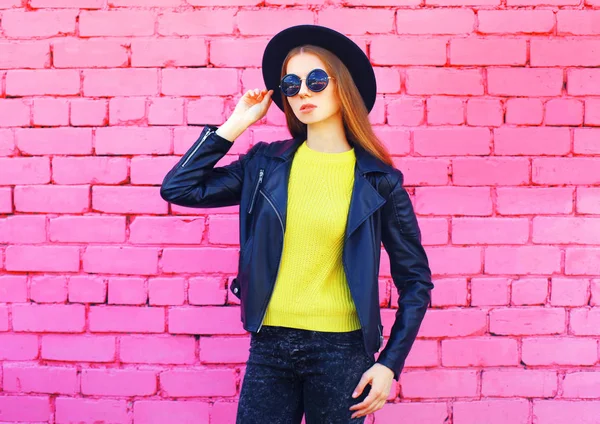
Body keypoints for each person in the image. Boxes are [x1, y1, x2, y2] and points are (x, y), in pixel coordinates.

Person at [160, 24, 433, 424]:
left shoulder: (378, 182)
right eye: (291, 83)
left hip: (342, 352)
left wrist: (390, 364)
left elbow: (416, 282)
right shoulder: (265, 164)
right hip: (269, 346)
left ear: (343, 87)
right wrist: (236, 125)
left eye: (317, 80)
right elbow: (179, 188)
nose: (303, 91)